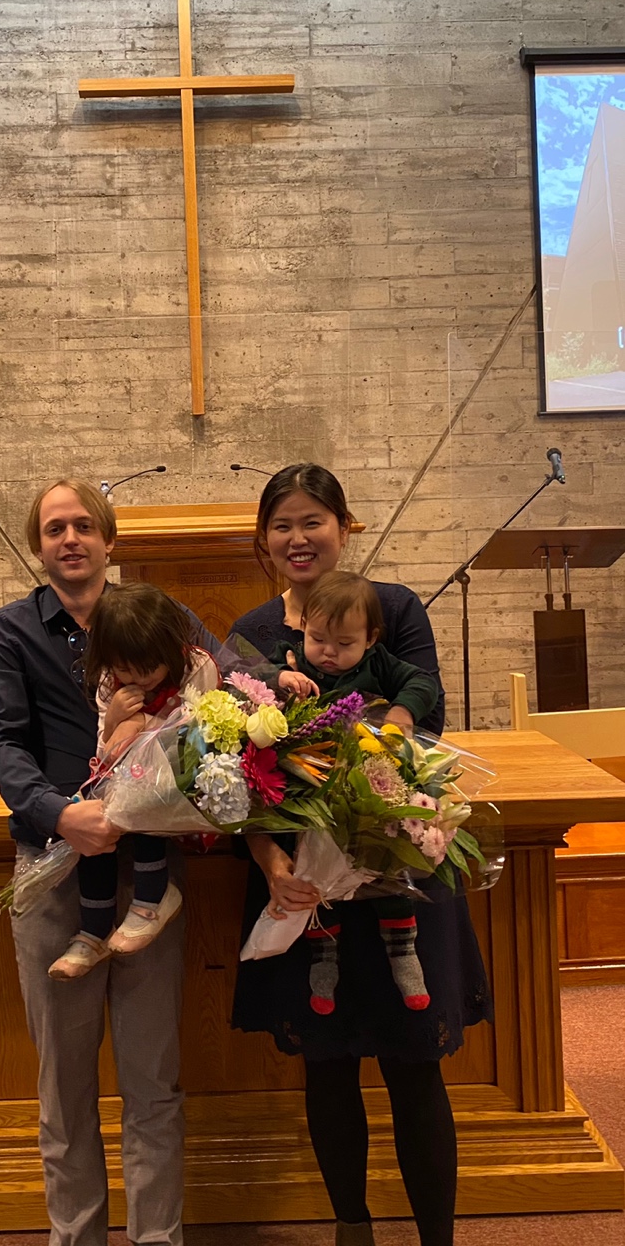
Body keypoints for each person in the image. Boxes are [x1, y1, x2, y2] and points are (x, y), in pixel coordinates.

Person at [229, 463, 492, 1246]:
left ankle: (437, 1237)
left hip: (397, 865)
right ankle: (353, 1227)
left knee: (416, 1064)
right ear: (264, 540)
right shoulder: (251, 632)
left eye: (313, 520)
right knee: (327, 1061)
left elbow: (425, 709)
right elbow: (239, 758)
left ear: (344, 528)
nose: (298, 537)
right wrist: (273, 866)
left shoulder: (393, 607)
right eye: (282, 524)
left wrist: (376, 761)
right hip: (304, 882)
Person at [0, 477, 219, 1246]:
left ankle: (157, 1239)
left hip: (149, 885)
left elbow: (232, 677)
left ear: (110, 539)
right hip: (54, 874)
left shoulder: (160, 612)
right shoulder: (8, 633)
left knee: (153, 1082)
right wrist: (60, 813)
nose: (70, 539)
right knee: (65, 1089)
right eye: (54, 529)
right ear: (39, 546)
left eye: (83, 525)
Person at [274, 569, 440, 1015]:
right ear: (303, 625)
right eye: (318, 638)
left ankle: (403, 952)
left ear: (370, 639)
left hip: (370, 783)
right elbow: (252, 675)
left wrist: (402, 712)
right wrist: (279, 678)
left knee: (388, 865)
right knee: (315, 875)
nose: (328, 652)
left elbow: (423, 682)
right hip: (312, 788)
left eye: (345, 643)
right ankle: (323, 958)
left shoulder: (380, 662)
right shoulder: (293, 658)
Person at [48, 581, 220, 980]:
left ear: (169, 648)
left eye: (148, 669)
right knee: (95, 822)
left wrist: (141, 722)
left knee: (142, 801)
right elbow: (106, 747)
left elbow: (199, 734)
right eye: (125, 669)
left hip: (181, 777)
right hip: (128, 770)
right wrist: (114, 720)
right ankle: (94, 930)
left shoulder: (197, 667)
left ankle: (151, 898)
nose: (138, 679)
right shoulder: (111, 680)